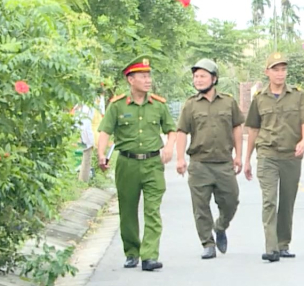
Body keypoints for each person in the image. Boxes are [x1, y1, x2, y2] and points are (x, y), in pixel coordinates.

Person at [97, 55, 176, 272]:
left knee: (152, 209)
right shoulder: (117, 105)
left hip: (152, 163)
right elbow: (105, 131)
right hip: (127, 163)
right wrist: (101, 153)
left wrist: (169, 147)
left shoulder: (158, 105)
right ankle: (132, 251)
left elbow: (171, 129)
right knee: (128, 209)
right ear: (130, 80)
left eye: (149, 75)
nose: (148, 80)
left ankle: (149, 255)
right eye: (142, 76)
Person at [244, 51, 304, 262]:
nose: (280, 74)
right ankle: (271, 246)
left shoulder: (298, 95)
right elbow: (254, 130)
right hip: (267, 154)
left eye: (283, 69)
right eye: (275, 69)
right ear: (267, 72)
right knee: (269, 200)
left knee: (287, 201)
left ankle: (283, 243)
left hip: (290, 156)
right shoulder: (259, 99)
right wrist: (247, 158)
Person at [175, 58, 245, 260]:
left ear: (214, 79)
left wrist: (238, 155)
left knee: (231, 201)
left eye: (203, 76)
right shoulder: (190, 105)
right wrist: (180, 159)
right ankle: (207, 243)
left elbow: (237, 128)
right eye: (196, 76)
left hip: (224, 163)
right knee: (200, 207)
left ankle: (220, 226)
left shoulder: (228, 102)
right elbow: (181, 132)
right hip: (199, 164)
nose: (198, 80)